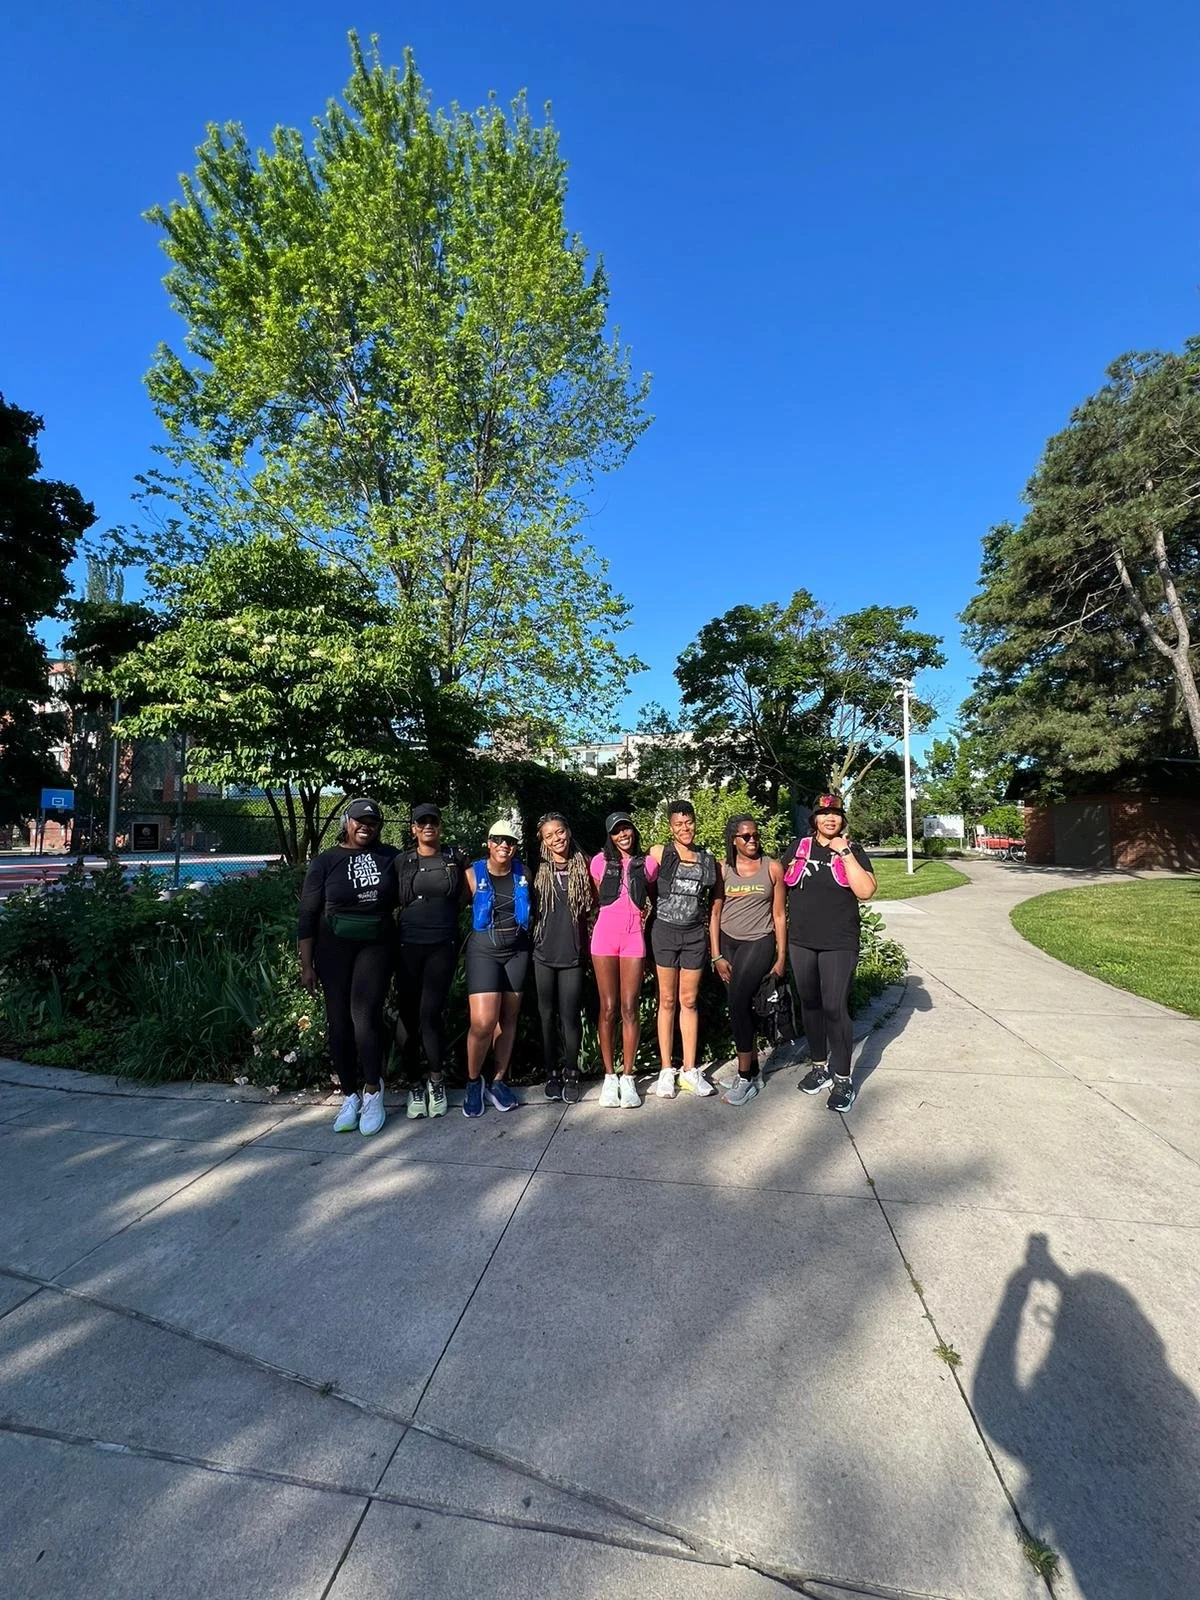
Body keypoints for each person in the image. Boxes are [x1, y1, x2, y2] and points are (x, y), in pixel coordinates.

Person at [298, 797, 399, 1136]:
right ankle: (349, 1094)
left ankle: (373, 1089)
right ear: (347, 822)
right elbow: (308, 913)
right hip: (333, 946)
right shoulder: (325, 861)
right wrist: (306, 963)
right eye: (359, 820)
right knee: (338, 1020)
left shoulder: (390, 857)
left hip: (376, 943)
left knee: (363, 1015)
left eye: (372, 822)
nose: (365, 826)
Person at [783, 792, 877, 1112]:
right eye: (824, 814)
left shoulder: (854, 850)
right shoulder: (798, 848)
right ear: (814, 819)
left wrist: (846, 852)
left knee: (835, 1007)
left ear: (842, 819)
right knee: (810, 1004)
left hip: (839, 941)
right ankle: (820, 1066)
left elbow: (865, 891)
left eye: (835, 813)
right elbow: (778, 884)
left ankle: (843, 1079)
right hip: (801, 940)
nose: (830, 818)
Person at [395, 802, 467, 1121]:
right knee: (407, 1015)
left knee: (430, 1013)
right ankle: (414, 1083)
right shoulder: (401, 861)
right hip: (408, 944)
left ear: (440, 826)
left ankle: (435, 1080)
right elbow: (388, 899)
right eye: (421, 822)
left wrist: (449, 915)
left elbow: (468, 892)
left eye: (433, 822)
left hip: (442, 943)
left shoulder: (454, 857)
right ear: (413, 828)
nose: (428, 827)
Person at [647, 800, 721, 1098]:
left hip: (693, 936)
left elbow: (716, 898)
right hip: (664, 932)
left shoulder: (707, 859)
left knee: (688, 1001)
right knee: (666, 1000)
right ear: (670, 827)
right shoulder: (661, 852)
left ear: (695, 822)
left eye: (688, 822)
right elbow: (643, 879)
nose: (685, 828)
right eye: (678, 824)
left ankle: (689, 1070)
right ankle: (667, 1069)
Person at [713, 814, 788, 1105]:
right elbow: (715, 914)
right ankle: (753, 1071)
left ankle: (745, 1078)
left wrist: (781, 957)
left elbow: (779, 915)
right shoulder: (723, 869)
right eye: (746, 836)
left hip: (759, 941)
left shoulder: (772, 868)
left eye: (755, 835)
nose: (752, 840)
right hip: (728, 945)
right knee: (742, 1006)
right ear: (734, 839)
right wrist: (716, 954)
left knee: (737, 1003)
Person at [589, 812, 658, 1108]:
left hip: (633, 937)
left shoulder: (649, 864)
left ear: (633, 830)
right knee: (608, 1007)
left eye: (626, 828)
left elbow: (655, 897)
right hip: (605, 937)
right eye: (616, 831)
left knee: (630, 1007)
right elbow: (596, 897)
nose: (623, 834)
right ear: (610, 836)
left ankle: (628, 1077)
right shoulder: (599, 861)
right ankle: (609, 1076)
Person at [462, 819, 530, 1118]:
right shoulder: (471, 875)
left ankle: (498, 1080)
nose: (505, 845)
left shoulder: (523, 873)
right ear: (489, 842)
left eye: (510, 841)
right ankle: (473, 1081)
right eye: (498, 839)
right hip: (484, 951)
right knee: (483, 1022)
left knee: (509, 1017)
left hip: (516, 951)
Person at [531, 812, 594, 1103]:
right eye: (549, 835)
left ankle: (571, 1073)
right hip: (543, 954)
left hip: (572, 954)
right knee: (546, 1017)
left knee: (570, 1018)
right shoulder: (537, 869)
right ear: (542, 841)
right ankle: (551, 1074)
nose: (556, 838)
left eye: (560, 831)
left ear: (568, 831)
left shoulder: (586, 866)